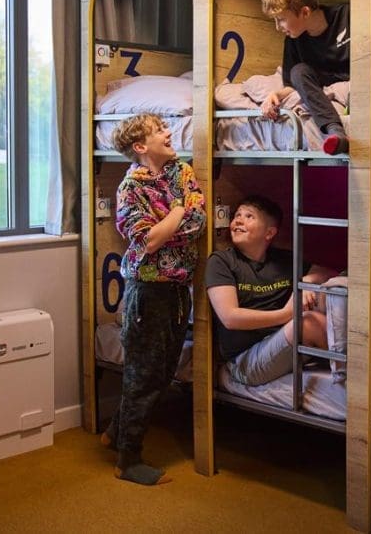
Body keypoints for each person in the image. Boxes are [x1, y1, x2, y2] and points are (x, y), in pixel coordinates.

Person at [101, 114, 206, 486]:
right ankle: (128, 459)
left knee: (163, 373)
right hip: (147, 290)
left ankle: (115, 431)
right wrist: (178, 211)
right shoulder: (131, 187)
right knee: (144, 376)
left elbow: (199, 223)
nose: (168, 132)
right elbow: (147, 241)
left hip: (178, 288)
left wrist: (169, 225)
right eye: (159, 129)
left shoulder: (181, 171)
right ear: (141, 147)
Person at [206, 195, 338, 386]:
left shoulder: (281, 260)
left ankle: (355, 365)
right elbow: (230, 317)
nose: (238, 220)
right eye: (237, 215)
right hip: (244, 359)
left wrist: (305, 281)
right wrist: (286, 314)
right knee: (308, 323)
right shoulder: (221, 261)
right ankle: (355, 374)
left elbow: (325, 272)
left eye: (249, 216)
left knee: (329, 294)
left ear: (269, 233)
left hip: (279, 342)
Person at [260, 0, 351, 155]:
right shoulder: (293, 39)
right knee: (298, 71)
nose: (278, 27)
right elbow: (293, 84)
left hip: (352, 76)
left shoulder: (347, 16)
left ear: (305, 12)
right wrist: (276, 94)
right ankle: (335, 131)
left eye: (281, 19)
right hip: (321, 81)